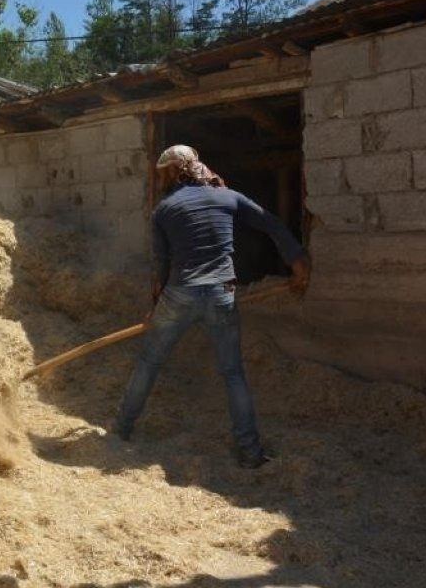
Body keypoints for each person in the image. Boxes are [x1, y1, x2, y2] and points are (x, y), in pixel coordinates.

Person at [111, 144, 311, 469]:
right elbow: (271, 223)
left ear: (173, 172)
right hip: (221, 293)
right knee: (233, 373)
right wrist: (297, 261)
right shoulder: (227, 197)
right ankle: (250, 453)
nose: (160, 178)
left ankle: (120, 431)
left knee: (149, 362)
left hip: (179, 295)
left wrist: (155, 308)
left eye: (162, 173)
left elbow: (162, 267)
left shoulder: (164, 210)